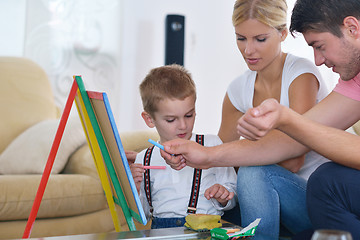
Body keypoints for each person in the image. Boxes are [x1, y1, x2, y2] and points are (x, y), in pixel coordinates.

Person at [160, 0, 360, 238]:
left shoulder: (301, 73)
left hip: (314, 191)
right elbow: (297, 139)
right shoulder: (353, 82)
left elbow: (297, 150)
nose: (318, 60)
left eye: (320, 46)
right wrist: (205, 156)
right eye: (241, 38)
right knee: (230, 208)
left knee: (325, 180)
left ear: (352, 28)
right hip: (310, 199)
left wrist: (284, 120)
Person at [217, 0, 330, 238]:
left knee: (252, 172)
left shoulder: (301, 73)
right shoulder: (237, 90)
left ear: (282, 34)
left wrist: (243, 152)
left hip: (316, 201)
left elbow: (293, 161)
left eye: (260, 39)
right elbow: (223, 161)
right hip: (267, 199)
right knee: (213, 205)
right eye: (241, 38)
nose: (248, 50)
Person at [130, 64, 237, 229]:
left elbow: (233, 192)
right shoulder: (143, 157)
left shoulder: (212, 145)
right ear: (149, 119)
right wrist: (135, 189)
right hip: (162, 232)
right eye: (171, 120)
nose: (182, 126)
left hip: (205, 230)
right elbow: (142, 216)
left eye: (189, 115)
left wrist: (223, 196)